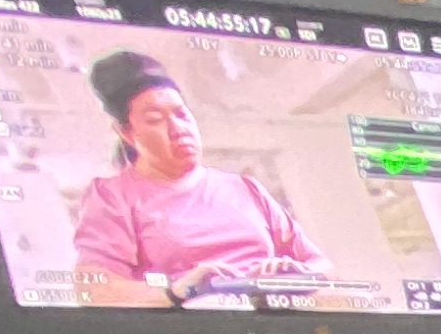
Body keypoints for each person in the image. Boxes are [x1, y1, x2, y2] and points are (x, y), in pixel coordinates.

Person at [68, 51, 321, 309]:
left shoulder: (244, 187)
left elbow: (321, 266)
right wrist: (179, 291)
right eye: (155, 120)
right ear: (126, 133)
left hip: (279, 312)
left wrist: (297, 273)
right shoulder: (113, 196)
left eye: (182, 114)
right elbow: (94, 289)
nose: (178, 129)